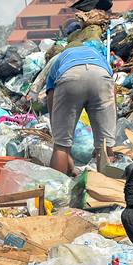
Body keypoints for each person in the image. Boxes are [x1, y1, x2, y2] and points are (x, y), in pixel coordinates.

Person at [44, 44, 115, 175]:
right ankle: (107, 190)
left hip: (70, 77)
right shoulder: (97, 54)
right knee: (105, 146)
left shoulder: (60, 59)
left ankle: (55, 191)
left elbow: (51, 96)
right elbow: (111, 86)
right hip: (101, 77)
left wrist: (57, 132)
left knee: (61, 146)